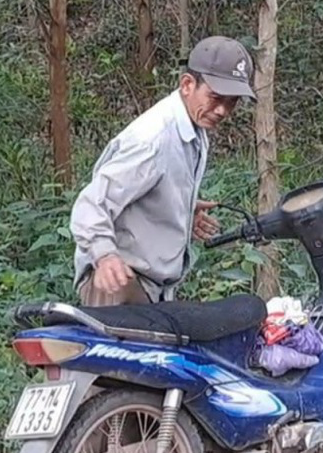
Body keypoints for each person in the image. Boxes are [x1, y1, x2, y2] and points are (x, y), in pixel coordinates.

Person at [69, 36, 257, 306]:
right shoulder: (152, 140)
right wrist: (104, 255)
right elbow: (91, 204)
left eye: (232, 102)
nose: (222, 110)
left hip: (151, 289)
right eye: (215, 97)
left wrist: (180, 209)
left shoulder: (195, 127)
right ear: (187, 85)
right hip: (119, 283)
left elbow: (150, 189)